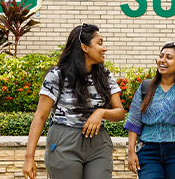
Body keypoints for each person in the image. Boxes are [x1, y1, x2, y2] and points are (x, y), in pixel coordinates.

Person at [23, 23, 126, 179]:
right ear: (85, 48)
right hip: (64, 141)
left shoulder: (105, 75)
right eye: (99, 43)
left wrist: (101, 113)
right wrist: (28, 157)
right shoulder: (57, 75)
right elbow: (40, 116)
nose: (104, 48)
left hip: (98, 143)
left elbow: (120, 112)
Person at [124, 42, 175, 178]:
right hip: (149, 150)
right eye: (161, 56)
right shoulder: (146, 87)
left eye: (169, 57)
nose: (163, 60)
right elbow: (134, 121)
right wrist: (131, 152)